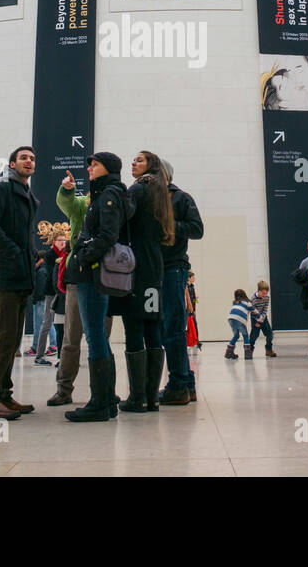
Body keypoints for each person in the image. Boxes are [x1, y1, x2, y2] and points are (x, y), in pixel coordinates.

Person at [64, 152, 128, 423]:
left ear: (109, 168)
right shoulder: (105, 193)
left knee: (94, 335)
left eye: (95, 164)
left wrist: (83, 257)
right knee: (96, 335)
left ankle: (100, 403)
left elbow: (108, 235)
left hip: (93, 275)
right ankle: (106, 400)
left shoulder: (109, 194)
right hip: (93, 273)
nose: (89, 168)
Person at [0, 145, 38, 421]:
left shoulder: (26, 194)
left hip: (23, 274)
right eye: (23, 157)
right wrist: (12, 251)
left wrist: (34, 255)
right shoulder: (1, 189)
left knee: (13, 339)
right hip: (5, 274)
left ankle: (4, 395)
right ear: (12, 164)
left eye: (32, 158)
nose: (29, 161)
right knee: (3, 337)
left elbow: (23, 236)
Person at [112, 150, 171, 412]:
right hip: (154, 269)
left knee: (134, 328)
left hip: (135, 268)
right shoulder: (160, 192)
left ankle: (137, 398)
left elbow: (123, 217)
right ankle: (151, 397)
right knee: (152, 328)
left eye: (139, 160)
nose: (133, 162)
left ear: (151, 166)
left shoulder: (137, 189)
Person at [156, 159, 204, 405]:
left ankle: (179, 385)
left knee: (173, 329)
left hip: (173, 268)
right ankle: (187, 385)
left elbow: (197, 229)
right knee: (167, 329)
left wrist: (168, 225)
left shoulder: (181, 198)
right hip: (153, 269)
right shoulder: (146, 199)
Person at [47, 174, 90, 407]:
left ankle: (102, 390)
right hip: (78, 275)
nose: (90, 169)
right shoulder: (83, 204)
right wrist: (67, 189)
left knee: (99, 338)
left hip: (104, 277)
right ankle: (64, 389)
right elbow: (67, 203)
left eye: (95, 166)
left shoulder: (115, 200)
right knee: (71, 338)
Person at [29, 249, 55, 366]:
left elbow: (40, 286)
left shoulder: (41, 271)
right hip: (41, 299)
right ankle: (38, 347)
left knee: (42, 324)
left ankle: (43, 347)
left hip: (40, 300)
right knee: (44, 324)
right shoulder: (43, 270)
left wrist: (37, 298)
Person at [248, 280, 275, 358]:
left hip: (263, 318)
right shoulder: (253, 299)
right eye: (263, 293)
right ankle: (250, 350)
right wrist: (258, 320)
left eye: (266, 293)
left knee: (270, 334)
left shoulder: (266, 298)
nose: (264, 295)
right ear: (258, 291)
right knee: (254, 335)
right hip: (255, 318)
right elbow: (252, 311)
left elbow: (265, 309)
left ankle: (268, 350)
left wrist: (262, 318)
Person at [225, 289, 253, 358]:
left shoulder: (235, 302)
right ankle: (247, 354)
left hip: (231, 318)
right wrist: (260, 318)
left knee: (236, 335)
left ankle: (229, 353)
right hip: (240, 319)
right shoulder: (247, 302)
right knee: (245, 335)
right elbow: (254, 310)